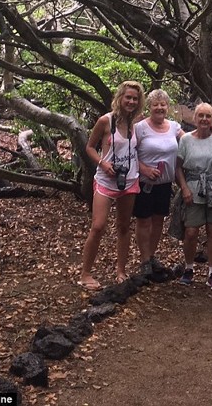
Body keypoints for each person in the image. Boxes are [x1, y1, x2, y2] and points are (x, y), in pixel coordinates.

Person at [79, 80, 145, 290]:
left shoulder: (138, 122)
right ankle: (85, 273)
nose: (131, 102)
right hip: (106, 179)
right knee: (98, 226)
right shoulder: (105, 121)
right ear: (120, 98)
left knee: (124, 226)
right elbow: (89, 147)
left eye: (135, 98)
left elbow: (165, 125)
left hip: (129, 179)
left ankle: (121, 270)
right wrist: (102, 162)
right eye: (128, 97)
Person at [175, 103, 212, 291]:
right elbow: (178, 166)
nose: (204, 119)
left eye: (208, 116)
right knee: (190, 232)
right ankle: (189, 268)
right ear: (195, 118)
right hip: (193, 188)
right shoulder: (186, 140)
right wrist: (184, 188)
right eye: (201, 116)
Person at [134, 89, 183, 275]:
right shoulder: (141, 128)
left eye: (163, 104)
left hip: (165, 183)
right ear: (149, 107)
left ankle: (152, 256)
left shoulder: (174, 127)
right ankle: (144, 259)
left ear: (168, 107)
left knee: (158, 221)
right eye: (156, 104)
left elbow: (190, 140)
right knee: (144, 221)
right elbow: (129, 153)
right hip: (144, 183)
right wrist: (144, 168)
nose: (160, 108)